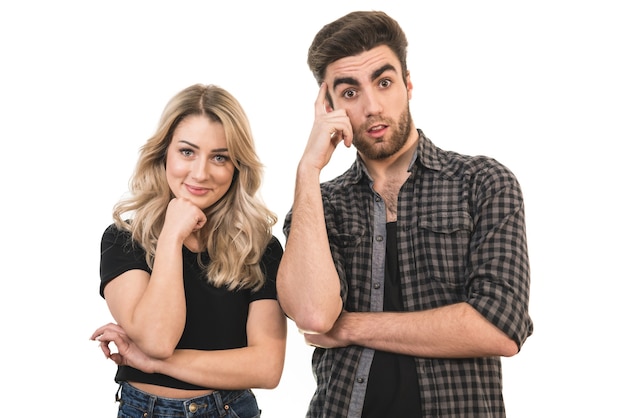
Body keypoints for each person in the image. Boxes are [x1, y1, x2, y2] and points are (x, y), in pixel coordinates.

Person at [276, 10, 533, 418]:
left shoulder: (483, 183)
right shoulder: (317, 206)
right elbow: (312, 315)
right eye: (349, 93)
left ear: (408, 84)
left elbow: (499, 328)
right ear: (328, 107)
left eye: (383, 82)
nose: (372, 106)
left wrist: (347, 328)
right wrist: (308, 169)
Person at [90, 83, 287, 418]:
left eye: (220, 157)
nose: (200, 173)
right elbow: (157, 338)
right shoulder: (123, 239)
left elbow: (266, 368)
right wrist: (171, 235)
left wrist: (152, 364)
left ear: (237, 166)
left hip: (230, 410)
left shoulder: (259, 248)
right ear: (163, 152)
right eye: (187, 152)